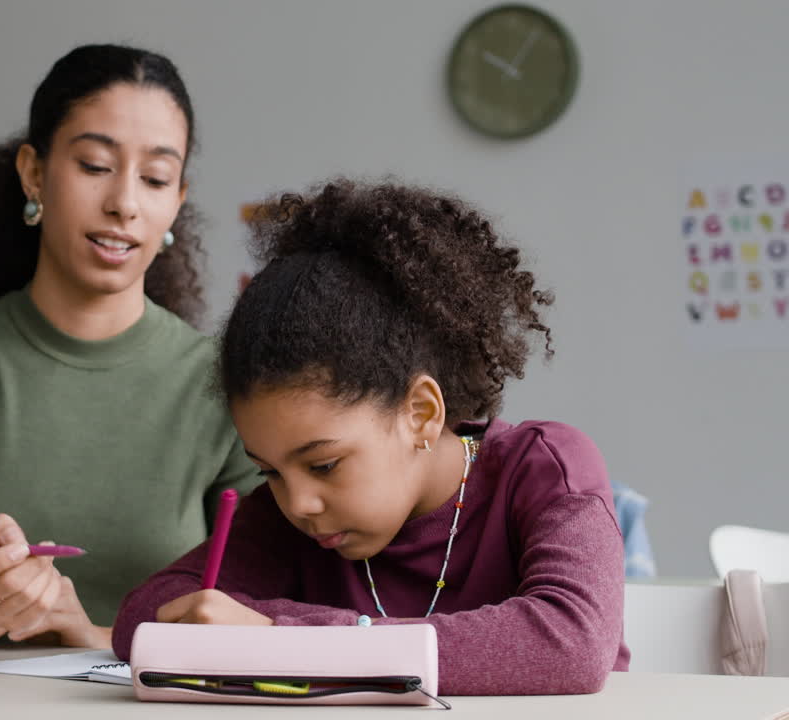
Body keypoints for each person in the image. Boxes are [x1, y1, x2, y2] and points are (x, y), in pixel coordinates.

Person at [112, 180, 630, 694]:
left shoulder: (544, 469)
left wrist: (280, 639)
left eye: (324, 465)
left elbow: (571, 644)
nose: (299, 503)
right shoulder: (288, 517)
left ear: (420, 413)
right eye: (268, 470)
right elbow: (144, 615)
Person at [0, 44, 259, 649]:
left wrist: (92, 633)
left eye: (155, 178)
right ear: (33, 173)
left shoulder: (227, 379)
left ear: (177, 199)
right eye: (96, 165)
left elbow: (257, 605)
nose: (125, 204)